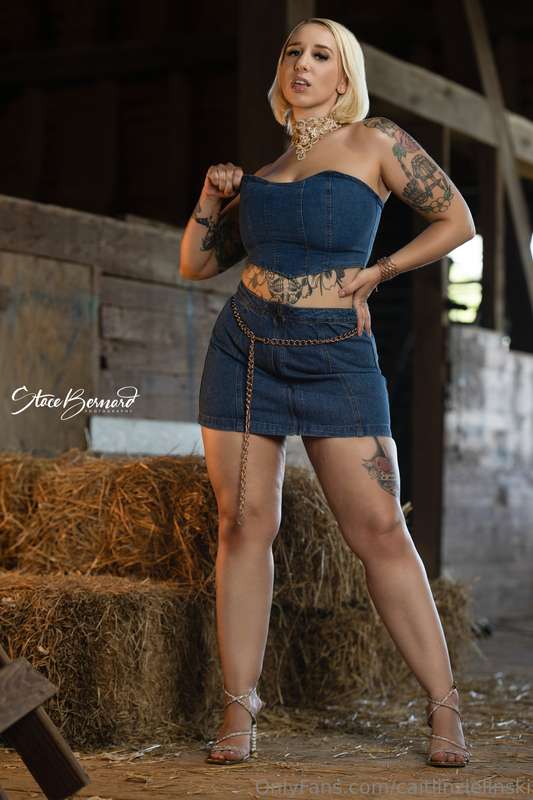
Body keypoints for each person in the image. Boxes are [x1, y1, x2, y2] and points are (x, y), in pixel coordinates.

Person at [179, 16, 475, 768]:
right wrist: (212, 197)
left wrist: (380, 273)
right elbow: (195, 264)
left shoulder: (376, 141)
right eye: (292, 53)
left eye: (321, 55)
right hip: (245, 348)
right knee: (243, 524)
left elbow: (456, 219)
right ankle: (239, 706)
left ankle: (444, 705)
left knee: (379, 528)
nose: (302, 64)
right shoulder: (265, 173)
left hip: (335, 356)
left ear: (344, 76)